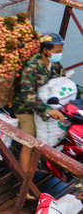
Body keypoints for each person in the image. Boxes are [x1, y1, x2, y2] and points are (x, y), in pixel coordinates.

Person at [13, 33, 81, 174]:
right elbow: (28, 95)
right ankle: (26, 184)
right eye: (57, 51)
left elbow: (66, 82)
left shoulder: (54, 64)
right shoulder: (31, 67)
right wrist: (47, 111)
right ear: (45, 49)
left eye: (60, 51)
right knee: (29, 141)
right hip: (27, 108)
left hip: (52, 103)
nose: (59, 54)